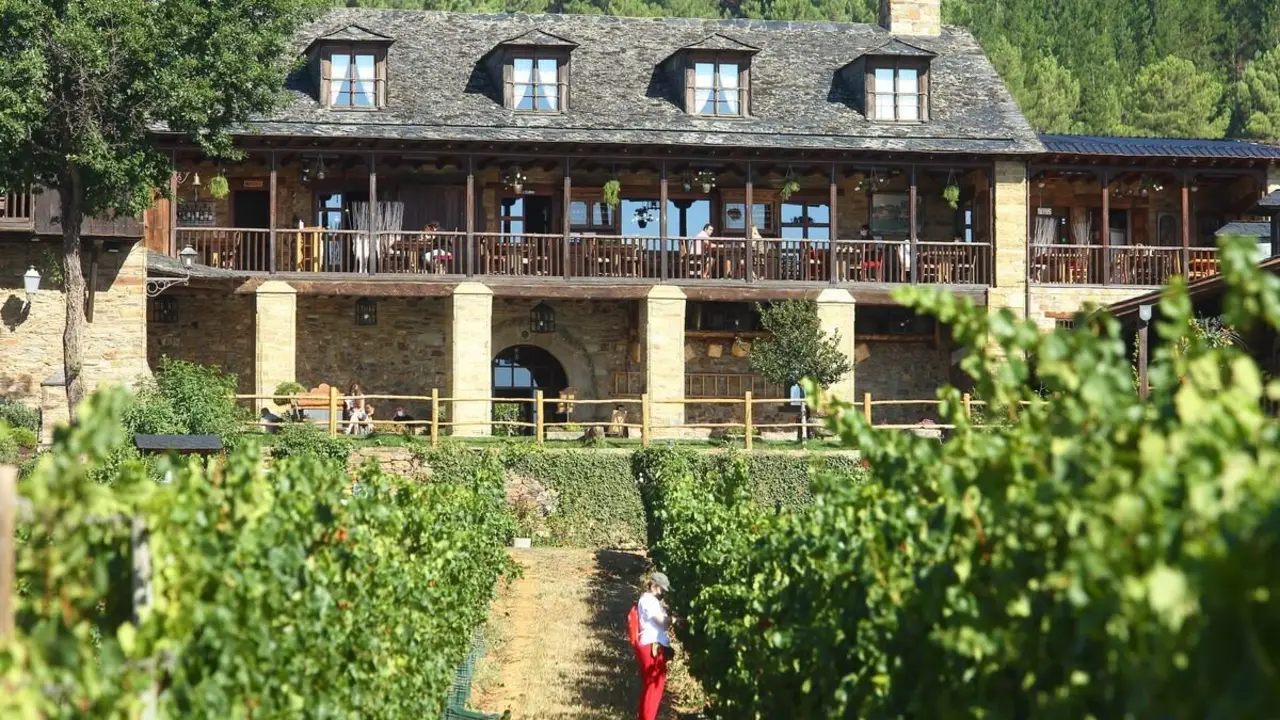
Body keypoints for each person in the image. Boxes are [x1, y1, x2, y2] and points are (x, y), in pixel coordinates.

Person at [635, 571, 674, 720]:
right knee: (654, 687)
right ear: (654, 586)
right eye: (662, 589)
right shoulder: (648, 601)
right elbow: (661, 623)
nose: (663, 592)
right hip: (652, 648)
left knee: (652, 687)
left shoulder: (652, 601)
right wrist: (674, 620)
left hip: (653, 646)